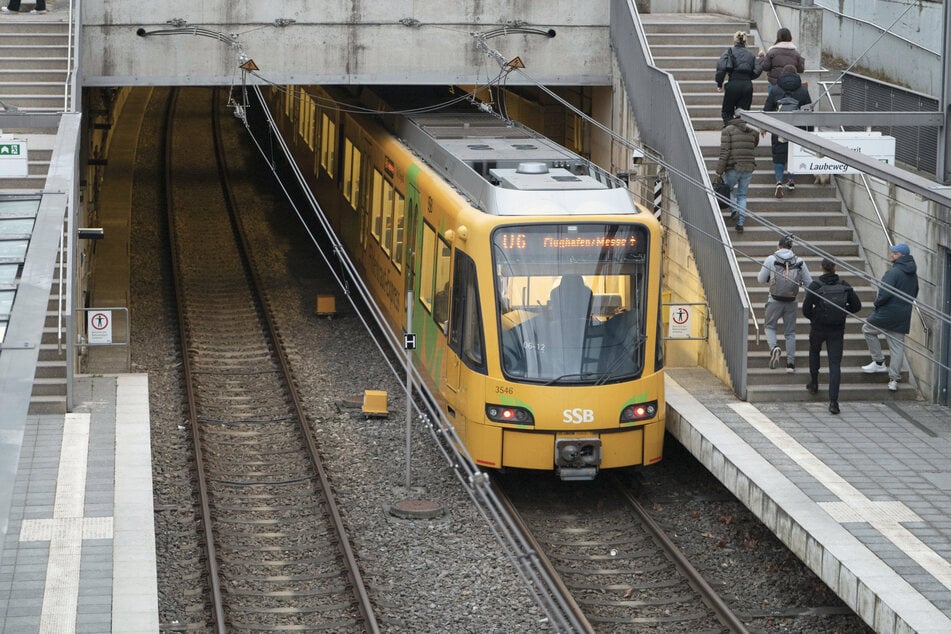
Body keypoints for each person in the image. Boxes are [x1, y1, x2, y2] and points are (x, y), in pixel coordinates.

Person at [802, 258, 862, 415]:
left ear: (821, 268)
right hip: (837, 330)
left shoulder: (815, 286)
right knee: (835, 364)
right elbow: (857, 306)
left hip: (818, 328)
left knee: (814, 352)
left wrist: (816, 317)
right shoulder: (844, 286)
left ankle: (814, 382)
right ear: (834, 267)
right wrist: (841, 311)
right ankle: (833, 402)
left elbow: (806, 310)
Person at [861, 243, 919, 391]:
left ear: (902, 255)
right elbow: (915, 292)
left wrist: (876, 303)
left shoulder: (893, 272)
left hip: (886, 313)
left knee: (867, 329)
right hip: (903, 314)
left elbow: (884, 293)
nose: (892, 255)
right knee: (897, 346)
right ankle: (893, 380)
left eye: (895, 254)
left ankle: (879, 362)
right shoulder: (913, 273)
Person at [757, 235, 812, 372]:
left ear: (778, 246)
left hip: (774, 300)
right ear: (791, 247)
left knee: (769, 326)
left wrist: (771, 276)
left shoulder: (771, 259)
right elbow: (809, 283)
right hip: (791, 300)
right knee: (790, 333)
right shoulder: (799, 261)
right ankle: (790, 364)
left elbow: (760, 279)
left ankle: (774, 347)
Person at [762, 65, 812, 198]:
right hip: (797, 129)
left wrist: (764, 127)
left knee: (779, 155)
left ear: (783, 74)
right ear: (796, 75)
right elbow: (809, 113)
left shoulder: (775, 89)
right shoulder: (803, 91)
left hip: (779, 127)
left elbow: (767, 109)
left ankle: (779, 181)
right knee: (793, 154)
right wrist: (810, 131)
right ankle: (791, 180)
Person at [714, 111, 759, 233]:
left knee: (726, 189)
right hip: (749, 167)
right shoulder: (753, 131)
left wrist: (719, 170)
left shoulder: (727, 130)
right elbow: (755, 144)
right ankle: (740, 223)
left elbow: (725, 152)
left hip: (733, 167)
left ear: (733, 116)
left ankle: (734, 209)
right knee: (742, 195)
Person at [715, 31, 763, 125]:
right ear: (745, 42)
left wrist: (719, 84)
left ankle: (730, 131)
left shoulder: (729, 52)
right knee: (743, 113)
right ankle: (741, 132)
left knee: (727, 112)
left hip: (733, 83)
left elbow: (721, 68)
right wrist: (749, 77)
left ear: (734, 41)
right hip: (747, 85)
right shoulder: (751, 55)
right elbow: (757, 70)